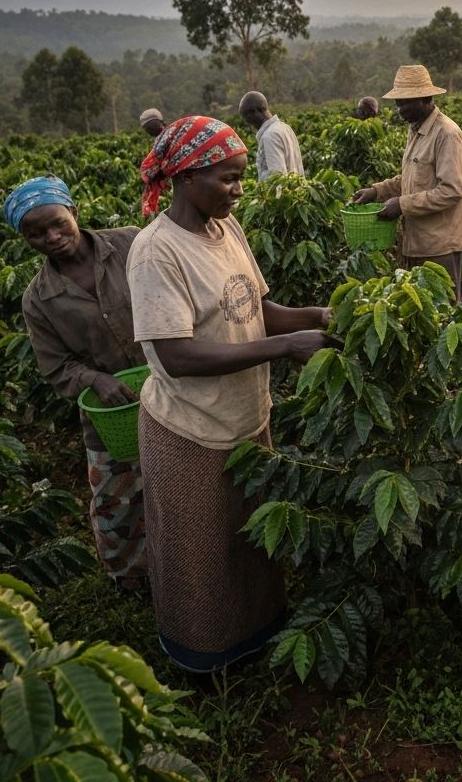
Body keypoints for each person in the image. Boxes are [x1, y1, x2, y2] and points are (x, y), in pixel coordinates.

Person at [127, 116, 333, 673]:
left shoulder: (227, 229)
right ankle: (204, 659)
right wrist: (286, 346)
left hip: (245, 415)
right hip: (191, 429)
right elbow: (177, 356)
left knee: (249, 540)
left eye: (241, 178)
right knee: (200, 557)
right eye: (228, 180)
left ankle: (259, 632)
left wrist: (318, 316)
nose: (239, 191)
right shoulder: (156, 252)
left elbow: (257, 310)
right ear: (186, 177)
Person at [6, 175, 147, 590]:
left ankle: (184, 559)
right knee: (116, 496)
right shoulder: (38, 298)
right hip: (110, 413)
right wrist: (95, 379)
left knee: (177, 480)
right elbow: (55, 366)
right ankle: (130, 574)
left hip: (171, 386)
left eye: (56, 224)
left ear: (74, 214)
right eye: (35, 234)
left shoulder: (131, 243)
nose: (51, 237)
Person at [352, 65, 462, 297]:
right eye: (398, 103)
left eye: (406, 102)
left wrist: (402, 205)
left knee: (442, 314)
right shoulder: (415, 130)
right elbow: (410, 178)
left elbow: (451, 190)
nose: (400, 109)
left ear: (426, 98)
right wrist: (376, 191)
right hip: (415, 243)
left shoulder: (446, 134)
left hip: (439, 247)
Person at [237, 90, 305, 180]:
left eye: (246, 116)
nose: (247, 121)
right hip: (297, 191)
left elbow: (277, 178)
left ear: (255, 111)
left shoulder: (269, 136)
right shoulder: (285, 128)